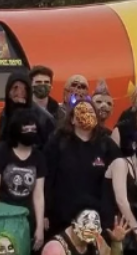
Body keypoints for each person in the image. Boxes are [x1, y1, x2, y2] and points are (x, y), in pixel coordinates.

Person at [44, 98, 119, 234]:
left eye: (91, 111)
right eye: (82, 111)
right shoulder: (57, 143)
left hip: (97, 219)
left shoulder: (107, 145)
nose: (86, 114)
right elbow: (47, 181)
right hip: (63, 219)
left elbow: (117, 182)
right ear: (72, 119)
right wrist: (45, 213)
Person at [0, 109, 49, 252]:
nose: (30, 130)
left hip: (27, 221)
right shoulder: (0, 152)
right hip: (2, 216)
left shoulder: (39, 157)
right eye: (26, 126)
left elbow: (38, 195)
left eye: (33, 127)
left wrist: (39, 228)